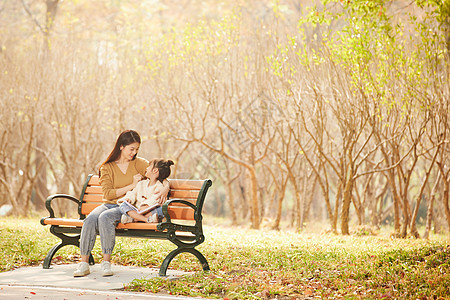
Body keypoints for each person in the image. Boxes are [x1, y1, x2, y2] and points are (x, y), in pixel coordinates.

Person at [73, 130, 169, 277]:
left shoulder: (139, 163)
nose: (134, 152)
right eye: (131, 149)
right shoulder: (107, 167)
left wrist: (166, 187)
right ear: (121, 146)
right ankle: (84, 263)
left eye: (137, 149)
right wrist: (131, 186)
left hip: (128, 207)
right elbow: (108, 194)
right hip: (110, 203)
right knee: (91, 219)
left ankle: (106, 263)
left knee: (105, 217)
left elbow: (158, 173)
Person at [118, 159, 174, 224]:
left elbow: (155, 199)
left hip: (149, 211)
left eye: (149, 166)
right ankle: (145, 219)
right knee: (123, 205)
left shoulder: (159, 187)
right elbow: (133, 193)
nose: (147, 168)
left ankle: (133, 218)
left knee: (161, 210)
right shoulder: (141, 183)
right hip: (138, 210)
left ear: (155, 170)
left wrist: (146, 205)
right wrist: (129, 198)